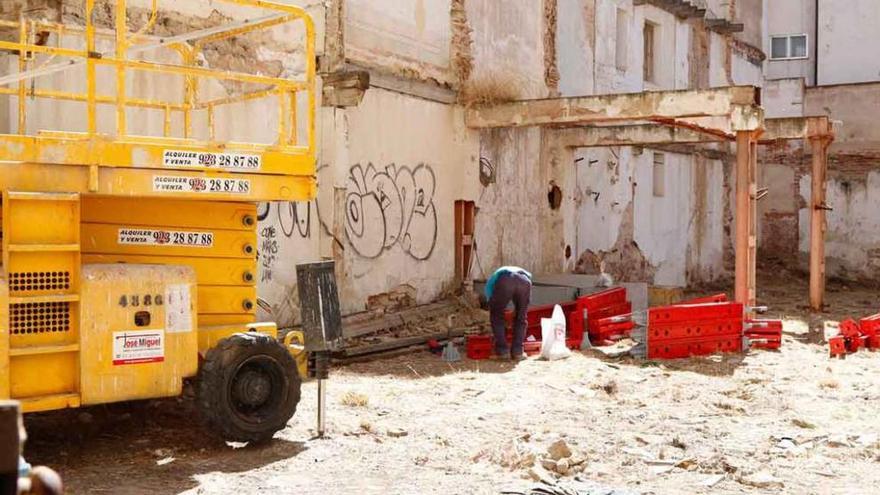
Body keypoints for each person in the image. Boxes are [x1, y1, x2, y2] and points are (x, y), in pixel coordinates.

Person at [484, 266, 532, 360]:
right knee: (521, 318)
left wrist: (494, 308)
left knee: (496, 317)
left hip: (506, 281)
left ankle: (502, 352)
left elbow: (491, 302)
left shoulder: (491, 282)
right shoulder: (523, 273)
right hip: (525, 281)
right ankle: (518, 352)